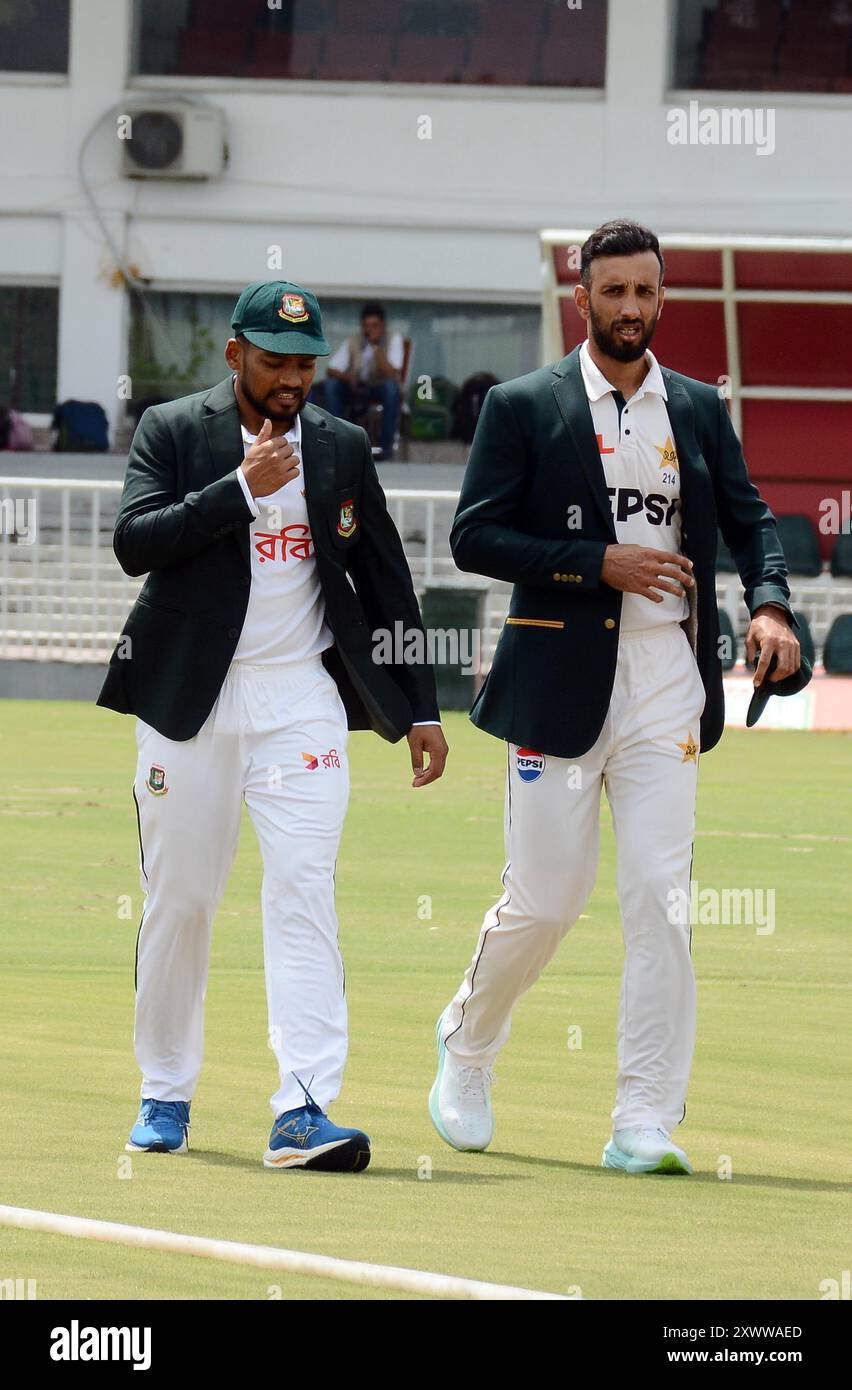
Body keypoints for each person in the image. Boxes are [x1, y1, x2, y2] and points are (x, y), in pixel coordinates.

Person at [429, 220, 803, 1176]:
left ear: (661, 298)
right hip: (556, 678)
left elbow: (755, 520)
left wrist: (769, 606)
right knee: (548, 902)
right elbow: (476, 538)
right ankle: (467, 1049)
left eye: (645, 291)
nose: (629, 307)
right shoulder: (525, 406)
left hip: (666, 688)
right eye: (613, 291)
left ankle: (644, 1117)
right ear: (583, 295)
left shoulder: (698, 408)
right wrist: (600, 563)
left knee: (661, 902)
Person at [98, 279, 448, 1172]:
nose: (292, 379)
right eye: (274, 361)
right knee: (182, 901)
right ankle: (166, 1090)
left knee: (303, 893)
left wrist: (420, 707)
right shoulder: (174, 430)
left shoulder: (340, 445)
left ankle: (302, 1106)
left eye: (304, 362)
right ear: (234, 355)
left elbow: (386, 575)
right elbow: (136, 540)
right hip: (190, 702)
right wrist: (239, 489)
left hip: (301, 703)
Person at [324, 302, 404, 460]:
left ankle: (386, 448)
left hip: (379, 386)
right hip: (357, 387)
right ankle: (340, 441)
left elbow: (391, 373)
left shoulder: (393, 339)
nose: (370, 330)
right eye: (366, 326)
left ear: (382, 325)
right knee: (332, 386)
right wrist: (349, 378)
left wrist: (375, 347)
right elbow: (331, 369)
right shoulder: (354, 340)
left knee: (391, 388)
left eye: (374, 325)